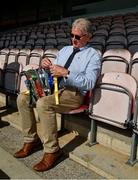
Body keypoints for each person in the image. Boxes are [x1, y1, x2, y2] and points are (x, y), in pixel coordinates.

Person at [14, 18, 101, 172]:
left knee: (43, 103)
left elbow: (89, 83)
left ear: (88, 36)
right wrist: (46, 65)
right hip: (53, 88)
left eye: (78, 37)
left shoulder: (93, 55)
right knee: (22, 98)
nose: (73, 39)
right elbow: (54, 71)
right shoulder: (65, 50)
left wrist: (67, 73)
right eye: (72, 35)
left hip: (73, 93)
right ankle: (31, 140)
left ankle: (52, 150)